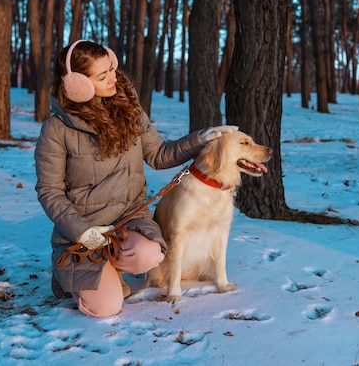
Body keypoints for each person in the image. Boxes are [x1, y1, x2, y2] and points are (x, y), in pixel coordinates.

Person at [34, 39, 236, 317]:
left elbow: (160, 155)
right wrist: (81, 231)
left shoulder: (130, 111)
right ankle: (72, 275)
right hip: (84, 231)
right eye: (102, 76)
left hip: (128, 220)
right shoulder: (56, 129)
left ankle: (109, 268)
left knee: (149, 254)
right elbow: (49, 192)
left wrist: (200, 139)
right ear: (77, 85)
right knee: (107, 308)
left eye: (112, 69)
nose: (112, 78)